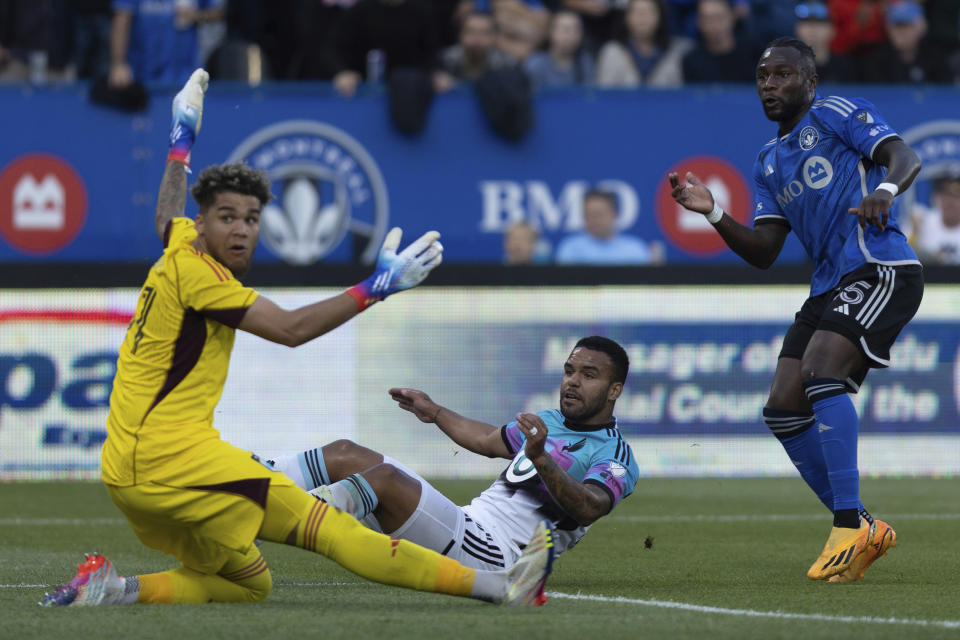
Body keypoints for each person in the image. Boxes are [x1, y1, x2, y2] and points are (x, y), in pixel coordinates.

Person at [41, 69, 553, 608]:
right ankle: (500, 587)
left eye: (252, 218)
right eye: (227, 217)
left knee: (250, 582)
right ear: (205, 220)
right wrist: (375, 288)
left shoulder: (181, 244)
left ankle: (112, 591)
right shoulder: (201, 276)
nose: (240, 229)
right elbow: (289, 330)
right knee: (331, 528)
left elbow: (166, 213)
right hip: (174, 461)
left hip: (128, 472)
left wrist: (182, 136)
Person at [669, 37, 923, 582]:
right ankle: (866, 526)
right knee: (783, 408)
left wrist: (883, 188)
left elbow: (905, 156)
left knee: (819, 373)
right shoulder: (767, 161)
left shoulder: (834, 113)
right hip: (827, 286)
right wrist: (714, 212)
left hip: (880, 267)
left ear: (809, 81)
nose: (771, 85)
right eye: (763, 77)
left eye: (783, 75)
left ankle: (849, 525)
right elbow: (763, 252)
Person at [267, 336, 640, 573]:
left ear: (614, 390)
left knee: (385, 480)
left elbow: (590, 506)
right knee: (346, 453)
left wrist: (541, 460)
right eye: (569, 370)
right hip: (467, 525)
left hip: (496, 556)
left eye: (589, 375)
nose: (573, 381)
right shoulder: (549, 421)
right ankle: (252, 476)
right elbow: (485, 439)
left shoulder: (615, 453)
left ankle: (273, 514)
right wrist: (435, 412)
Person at [595, 0, 693, 88]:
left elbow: (677, 98)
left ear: (659, 17)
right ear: (626, 17)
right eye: (637, 12)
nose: (642, 18)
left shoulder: (671, 55)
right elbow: (604, 97)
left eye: (648, 12)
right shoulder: (612, 52)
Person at [555, 189, 665, 265]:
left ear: (614, 214)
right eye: (589, 215)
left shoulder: (635, 249)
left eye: (598, 214)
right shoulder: (570, 249)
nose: (594, 220)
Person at [858, 0, 952, 84]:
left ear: (922, 28)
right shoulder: (877, 60)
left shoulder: (935, 57)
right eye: (897, 26)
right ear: (888, 29)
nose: (901, 32)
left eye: (907, 25)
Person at [681, 0, 757, 83]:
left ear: (732, 17)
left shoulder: (754, 53)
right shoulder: (691, 61)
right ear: (698, 22)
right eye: (706, 19)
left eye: (719, 18)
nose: (713, 25)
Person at [524, 10, 596, 89]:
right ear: (551, 32)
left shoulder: (585, 62)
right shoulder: (536, 64)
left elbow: (588, 96)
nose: (572, 35)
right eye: (566, 30)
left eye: (576, 30)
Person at [792, 1, 857, 85]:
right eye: (806, 23)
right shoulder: (787, 68)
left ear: (832, 30)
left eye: (820, 23)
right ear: (797, 29)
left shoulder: (846, 68)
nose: (812, 29)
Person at [910, 172, 960, 265]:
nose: (950, 201)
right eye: (945, 195)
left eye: (955, 196)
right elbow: (905, 257)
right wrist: (914, 233)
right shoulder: (922, 221)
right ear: (937, 197)